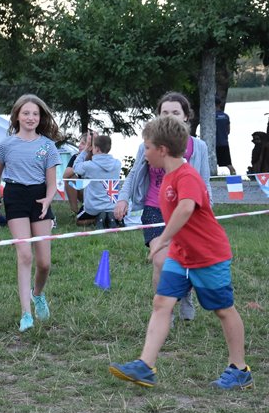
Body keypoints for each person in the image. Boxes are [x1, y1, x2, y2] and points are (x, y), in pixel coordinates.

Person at [109, 115, 252, 390]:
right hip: (180, 255)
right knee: (162, 303)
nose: (144, 153)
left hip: (208, 256)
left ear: (162, 149)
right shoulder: (167, 177)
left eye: (147, 147)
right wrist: (171, 243)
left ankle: (239, 369)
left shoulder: (187, 176)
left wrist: (162, 239)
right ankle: (145, 365)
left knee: (223, 310)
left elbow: (186, 207)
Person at [114, 91, 212, 322]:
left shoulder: (198, 146)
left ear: (186, 116)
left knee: (186, 258)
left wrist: (207, 211)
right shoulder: (146, 146)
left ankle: (185, 294)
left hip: (186, 210)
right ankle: (164, 311)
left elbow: (204, 182)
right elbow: (134, 174)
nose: (170, 116)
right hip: (154, 208)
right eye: (164, 112)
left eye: (175, 112)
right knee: (160, 259)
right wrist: (123, 198)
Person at [0, 94, 62, 332]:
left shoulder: (48, 146)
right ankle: (26, 314)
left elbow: (52, 182)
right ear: (17, 116)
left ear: (40, 117)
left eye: (35, 114)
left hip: (40, 198)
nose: (31, 117)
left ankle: (37, 294)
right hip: (15, 197)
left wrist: (48, 199)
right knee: (24, 255)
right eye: (26, 113)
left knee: (44, 263)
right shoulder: (6, 145)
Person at [72, 134, 122, 228]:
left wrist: (85, 150)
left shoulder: (89, 166)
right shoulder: (117, 164)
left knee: (78, 220)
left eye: (93, 147)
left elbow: (75, 167)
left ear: (97, 149)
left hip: (93, 207)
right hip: (112, 206)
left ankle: (98, 219)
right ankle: (110, 218)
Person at [63, 131, 95, 217]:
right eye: (79, 143)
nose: (79, 145)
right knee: (70, 178)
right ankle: (74, 212)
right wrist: (79, 166)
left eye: (83, 143)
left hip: (97, 192)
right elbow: (65, 175)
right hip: (83, 190)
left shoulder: (98, 157)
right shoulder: (76, 157)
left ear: (90, 147)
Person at [215, 96, 237, 176]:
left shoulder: (212, 117)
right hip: (224, 143)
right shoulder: (226, 116)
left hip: (215, 144)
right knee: (228, 164)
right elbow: (228, 131)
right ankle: (234, 177)